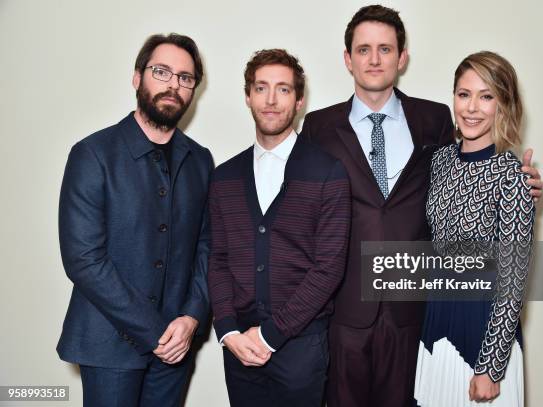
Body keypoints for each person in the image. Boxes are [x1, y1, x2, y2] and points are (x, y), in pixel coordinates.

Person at [299, 5, 543, 406]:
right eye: (363, 49)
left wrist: (522, 184)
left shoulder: (433, 120)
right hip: (347, 316)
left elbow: (509, 265)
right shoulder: (319, 128)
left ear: (402, 57)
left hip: (416, 314)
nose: (374, 59)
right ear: (348, 59)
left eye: (385, 49)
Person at [57, 33, 213, 407]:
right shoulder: (92, 154)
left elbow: (208, 247)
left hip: (177, 347)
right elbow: (83, 259)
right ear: (137, 78)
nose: (173, 84)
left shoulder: (202, 160)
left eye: (185, 78)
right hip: (109, 346)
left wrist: (191, 318)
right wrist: (156, 331)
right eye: (162, 72)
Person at [207, 49, 350, 407]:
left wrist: (271, 334)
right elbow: (217, 258)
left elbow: (328, 268)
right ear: (248, 96)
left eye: (283, 89)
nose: (271, 100)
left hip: (301, 347)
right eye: (261, 88)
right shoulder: (223, 177)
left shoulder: (327, 172)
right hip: (239, 347)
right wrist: (226, 329)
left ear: (299, 100)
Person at [414, 51, 534, 406]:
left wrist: (491, 368)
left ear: (504, 105)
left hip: (483, 333)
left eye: (486, 96)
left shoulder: (512, 176)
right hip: (436, 325)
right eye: (464, 94)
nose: (471, 108)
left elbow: (513, 281)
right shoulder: (440, 161)